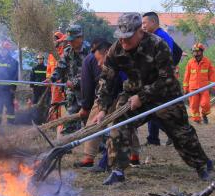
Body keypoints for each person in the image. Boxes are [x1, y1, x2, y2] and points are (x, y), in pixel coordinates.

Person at [95, 13, 211, 185]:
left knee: (182, 134)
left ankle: (203, 167)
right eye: (120, 38)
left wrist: (142, 97)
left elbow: (167, 79)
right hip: (133, 93)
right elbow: (106, 79)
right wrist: (103, 108)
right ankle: (117, 171)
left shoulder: (158, 45)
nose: (123, 42)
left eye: (128, 38)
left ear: (140, 32)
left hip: (165, 95)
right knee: (119, 126)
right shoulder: (116, 49)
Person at [74, 40, 141, 169]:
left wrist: (87, 107)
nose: (99, 64)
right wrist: (101, 108)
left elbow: (87, 86)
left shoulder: (121, 58)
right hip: (113, 94)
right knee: (126, 123)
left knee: (118, 124)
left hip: (127, 94)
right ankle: (134, 155)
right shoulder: (105, 59)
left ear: (107, 52)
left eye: (100, 60)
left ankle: (92, 158)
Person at [142, 11, 179, 146]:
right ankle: (153, 138)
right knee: (154, 110)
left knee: (157, 111)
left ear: (153, 22)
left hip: (161, 81)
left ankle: (173, 135)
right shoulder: (155, 35)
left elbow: (164, 61)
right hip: (155, 80)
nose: (143, 26)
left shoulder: (161, 37)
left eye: (145, 23)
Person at [50, 25, 85, 134]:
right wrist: (52, 78)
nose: (70, 43)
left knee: (93, 122)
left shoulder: (90, 51)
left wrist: (74, 82)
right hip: (73, 94)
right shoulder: (68, 51)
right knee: (70, 121)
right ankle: (65, 146)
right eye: (69, 40)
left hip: (87, 94)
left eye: (72, 40)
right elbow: (60, 66)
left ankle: (103, 148)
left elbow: (88, 75)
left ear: (80, 38)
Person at [183, 43, 215, 124]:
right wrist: (185, 88)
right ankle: (197, 119)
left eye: (198, 52)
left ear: (202, 52)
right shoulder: (190, 62)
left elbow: (212, 74)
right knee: (194, 105)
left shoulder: (207, 62)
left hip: (204, 87)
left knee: (206, 104)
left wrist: (213, 85)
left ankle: (204, 114)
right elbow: (186, 76)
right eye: (194, 52)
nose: (196, 54)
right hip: (193, 88)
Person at [0, 41, 19, 125]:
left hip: (8, 88)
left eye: (4, 49)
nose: (2, 51)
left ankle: (10, 122)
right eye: (1, 49)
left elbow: (15, 77)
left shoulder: (14, 62)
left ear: (8, 51)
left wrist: (13, 88)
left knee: (9, 105)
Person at [46, 32, 66, 124]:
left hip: (64, 83)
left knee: (65, 102)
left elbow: (66, 37)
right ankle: (54, 121)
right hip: (54, 84)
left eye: (56, 39)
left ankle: (64, 121)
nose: (54, 42)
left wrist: (60, 40)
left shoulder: (64, 51)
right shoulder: (51, 55)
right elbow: (49, 70)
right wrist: (48, 80)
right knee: (54, 102)